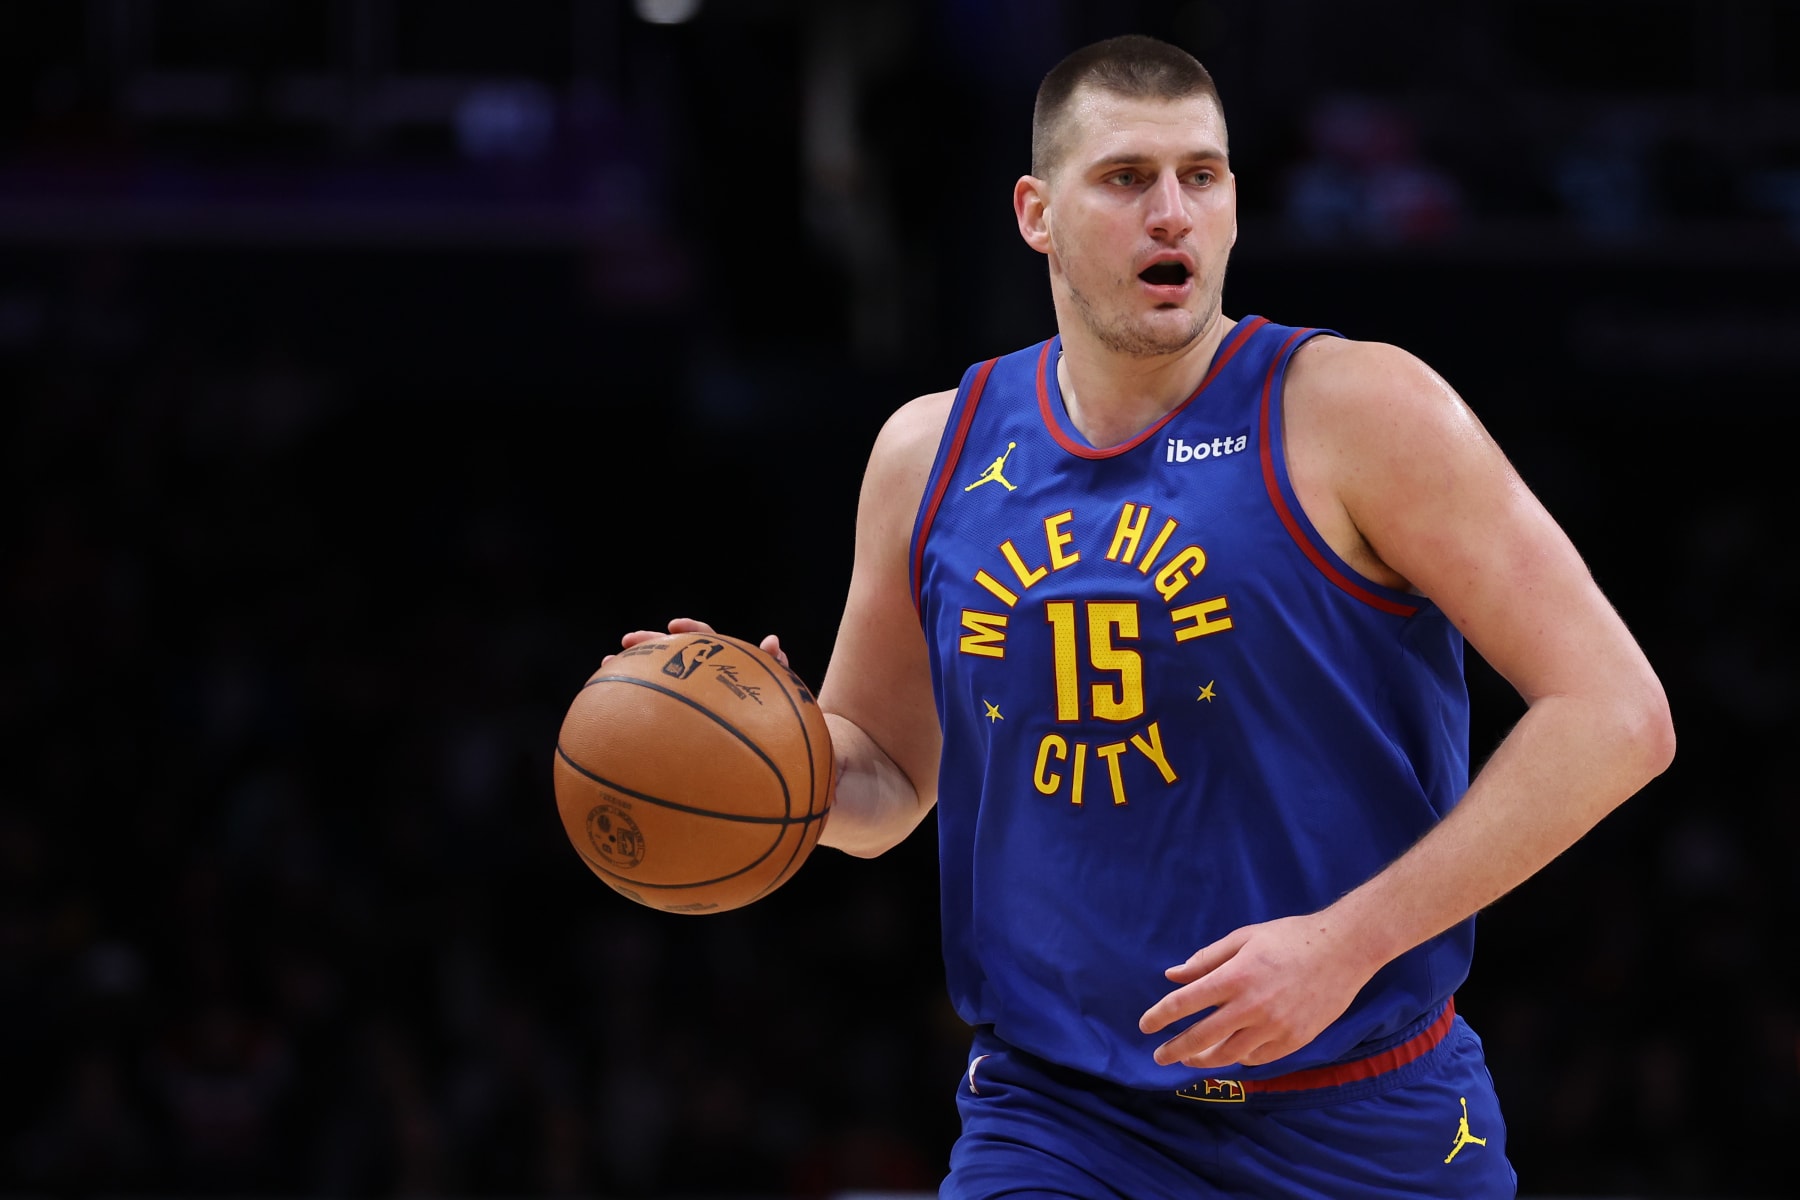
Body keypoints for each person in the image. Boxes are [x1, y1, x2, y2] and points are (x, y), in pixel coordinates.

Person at [612, 33, 1674, 1199]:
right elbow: (886, 787)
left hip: (1364, 1112)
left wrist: (1346, 942)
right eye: (1126, 179)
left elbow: (1617, 714)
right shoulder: (931, 453)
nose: (1172, 212)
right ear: (1037, 213)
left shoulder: (1357, 411)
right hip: (1060, 1119)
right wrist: (782, 757)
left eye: (1202, 176)